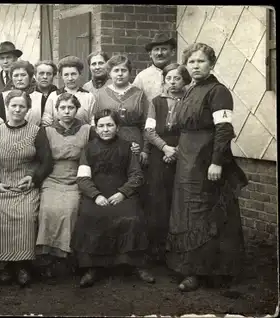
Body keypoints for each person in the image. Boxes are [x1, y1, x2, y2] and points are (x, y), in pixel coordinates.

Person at [166, 43, 247, 292]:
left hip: (206, 161)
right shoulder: (190, 91)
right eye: (191, 62)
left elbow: (224, 130)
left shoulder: (218, 91)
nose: (196, 66)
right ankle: (188, 268)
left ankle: (207, 271)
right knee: (186, 212)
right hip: (186, 160)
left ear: (211, 64)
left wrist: (216, 162)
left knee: (204, 212)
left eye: (201, 61)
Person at [71, 109, 155, 288]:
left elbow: (136, 176)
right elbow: (83, 178)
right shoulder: (89, 148)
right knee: (90, 216)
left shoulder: (128, 147)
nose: (105, 129)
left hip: (121, 193)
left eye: (110, 125)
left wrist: (123, 193)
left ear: (117, 127)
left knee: (133, 217)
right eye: (101, 125)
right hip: (97, 194)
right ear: (96, 127)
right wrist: (96, 195)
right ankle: (92, 267)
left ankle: (135, 264)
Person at [0, 89, 53, 287]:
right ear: (7, 108)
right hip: (0, 187)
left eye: (22, 106)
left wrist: (32, 177)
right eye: (14, 106)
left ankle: (22, 266)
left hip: (25, 186)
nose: (18, 110)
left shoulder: (37, 132)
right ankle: (6, 266)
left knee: (26, 217)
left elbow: (46, 162)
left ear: (28, 109)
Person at [36, 93, 91, 278]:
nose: (67, 112)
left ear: (77, 110)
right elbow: (42, 160)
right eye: (62, 108)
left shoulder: (86, 129)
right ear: (56, 111)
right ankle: (48, 258)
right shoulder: (47, 130)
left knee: (70, 210)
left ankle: (67, 257)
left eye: (71, 108)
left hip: (76, 178)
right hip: (52, 178)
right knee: (47, 210)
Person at [143, 63, 191, 263]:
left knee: (178, 199)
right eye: (169, 79)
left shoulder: (190, 100)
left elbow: (191, 130)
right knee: (158, 201)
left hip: (184, 153)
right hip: (159, 155)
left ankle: (178, 249)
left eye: (177, 78)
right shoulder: (156, 102)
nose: (172, 83)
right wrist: (165, 148)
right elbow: (149, 130)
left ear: (185, 81)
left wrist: (177, 151)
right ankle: (157, 249)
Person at [95, 55, 151, 166]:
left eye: (123, 70)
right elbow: (96, 123)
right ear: (109, 73)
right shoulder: (100, 94)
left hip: (134, 143)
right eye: (116, 70)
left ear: (129, 72)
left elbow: (146, 123)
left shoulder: (138, 94)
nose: (120, 74)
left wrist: (145, 149)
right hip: (109, 142)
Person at [42, 56, 97, 127]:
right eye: (66, 75)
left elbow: (93, 121)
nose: (70, 78)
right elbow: (47, 120)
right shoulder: (54, 96)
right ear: (61, 76)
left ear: (80, 74)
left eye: (73, 74)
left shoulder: (89, 96)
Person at [0, 60, 44, 127]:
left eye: (23, 75)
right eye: (16, 76)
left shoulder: (40, 97)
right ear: (11, 78)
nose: (19, 79)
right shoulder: (2, 97)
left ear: (30, 77)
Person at [133, 33, 177, 103]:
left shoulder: (180, 73)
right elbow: (134, 103)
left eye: (164, 49)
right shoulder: (142, 77)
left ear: (172, 52)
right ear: (150, 54)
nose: (159, 53)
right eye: (156, 49)